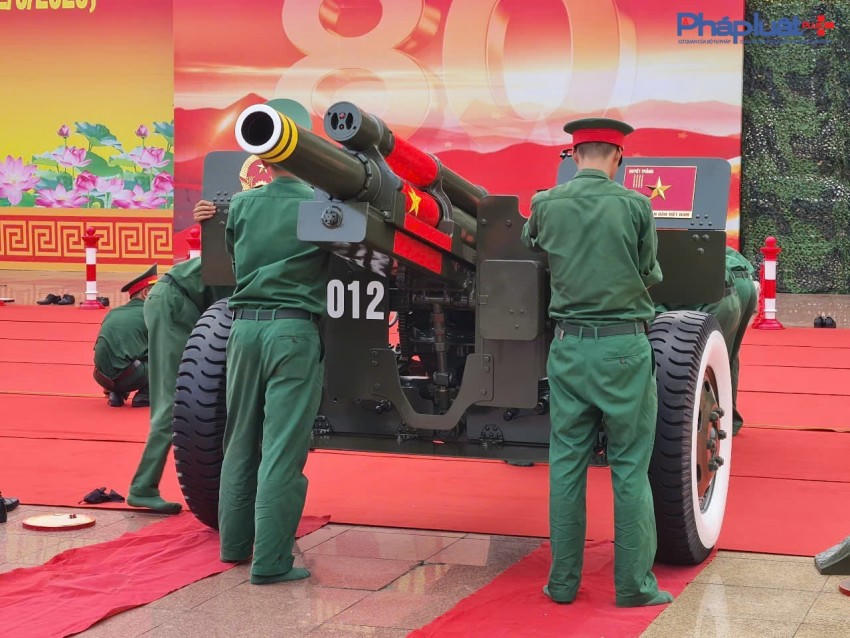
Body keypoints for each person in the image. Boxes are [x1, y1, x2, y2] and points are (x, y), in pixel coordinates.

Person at [522, 118, 672, 607]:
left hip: (568, 348)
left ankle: (562, 584)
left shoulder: (546, 203)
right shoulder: (636, 205)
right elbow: (649, 271)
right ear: (619, 156)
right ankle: (633, 587)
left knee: (567, 463)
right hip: (624, 349)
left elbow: (530, 242)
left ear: (573, 154)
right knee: (629, 467)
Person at [218, 98, 329, 585]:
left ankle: (233, 544)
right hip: (292, 331)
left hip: (243, 329)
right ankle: (271, 562)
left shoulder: (242, 204)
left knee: (240, 439)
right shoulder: (320, 207)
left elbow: (235, 260)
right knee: (282, 449)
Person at [126, 251, 233, 513]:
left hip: (175, 300)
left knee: (181, 398)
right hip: (175, 302)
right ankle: (142, 487)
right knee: (176, 401)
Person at [92, 265, 157, 407]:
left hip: (101, 376)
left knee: (125, 353)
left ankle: (115, 393)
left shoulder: (113, 312)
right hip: (128, 376)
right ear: (146, 293)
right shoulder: (151, 314)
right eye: (157, 292)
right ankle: (145, 395)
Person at [725, 246, 757, 434]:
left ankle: (725, 421)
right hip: (743, 279)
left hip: (726, 284)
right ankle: (730, 420)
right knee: (729, 357)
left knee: (719, 359)